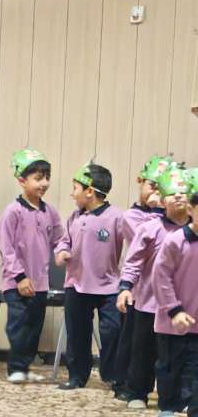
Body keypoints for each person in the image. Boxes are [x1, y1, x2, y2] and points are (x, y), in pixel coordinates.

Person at [56, 162, 123, 390]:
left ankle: (113, 375)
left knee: (113, 331)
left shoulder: (117, 218)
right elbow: (64, 241)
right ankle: (77, 376)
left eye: (75, 188)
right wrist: (62, 252)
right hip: (76, 285)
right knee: (77, 334)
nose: (71, 193)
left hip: (109, 287)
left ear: (90, 191)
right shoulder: (74, 217)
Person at [0, 149, 60, 383]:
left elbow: (59, 239)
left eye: (47, 177)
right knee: (19, 326)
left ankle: (24, 366)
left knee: (34, 326)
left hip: (40, 283)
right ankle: (15, 368)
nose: (44, 183)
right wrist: (20, 277)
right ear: (22, 180)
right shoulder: (13, 212)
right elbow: (6, 248)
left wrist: (64, 251)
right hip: (17, 283)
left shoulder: (50, 212)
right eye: (38, 178)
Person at [113, 161, 169, 407]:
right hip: (142, 294)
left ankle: (172, 394)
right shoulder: (134, 217)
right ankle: (131, 388)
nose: (156, 192)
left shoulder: (177, 222)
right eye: (152, 186)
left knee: (168, 350)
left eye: (162, 189)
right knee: (138, 346)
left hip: (169, 299)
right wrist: (158, 210)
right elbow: (142, 247)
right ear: (140, 182)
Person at [147, 167, 197, 417]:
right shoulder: (176, 241)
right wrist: (174, 310)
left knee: (196, 370)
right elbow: (161, 277)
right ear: (191, 210)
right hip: (171, 320)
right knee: (168, 366)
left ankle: (195, 414)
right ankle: (167, 406)